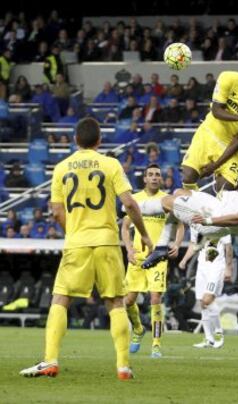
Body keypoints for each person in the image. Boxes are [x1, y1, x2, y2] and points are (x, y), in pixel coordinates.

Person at [20, 117, 153, 380]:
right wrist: (145, 234)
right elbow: (130, 203)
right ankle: (123, 366)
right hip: (107, 241)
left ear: (75, 140)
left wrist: (75, 233)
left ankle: (50, 360)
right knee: (115, 301)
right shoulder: (111, 164)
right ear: (100, 140)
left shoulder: (61, 168)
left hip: (77, 242)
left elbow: (57, 210)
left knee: (61, 299)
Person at [138, 161, 238, 269]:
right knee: (180, 192)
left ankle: (130, 208)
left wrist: (208, 221)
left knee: (169, 202)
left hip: (214, 217)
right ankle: (161, 246)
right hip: (219, 206)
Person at [122, 164, 184, 358]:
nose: (155, 177)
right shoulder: (136, 200)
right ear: (145, 179)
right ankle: (138, 329)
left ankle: (156, 344)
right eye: (151, 174)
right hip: (138, 256)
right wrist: (129, 249)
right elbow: (124, 228)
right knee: (129, 300)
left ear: (161, 179)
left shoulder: (166, 200)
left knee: (155, 298)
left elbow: (180, 223)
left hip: (158, 256)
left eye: (158, 174)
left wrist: (177, 242)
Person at [181, 56, 238, 191]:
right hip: (208, 133)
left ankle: (223, 207)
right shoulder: (228, 78)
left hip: (230, 145)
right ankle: (196, 206)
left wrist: (215, 166)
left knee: (225, 189)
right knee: (188, 177)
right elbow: (216, 110)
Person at [179, 230, 233, 348]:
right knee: (203, 304)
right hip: (202, 267)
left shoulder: (220, 222)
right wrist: (184, 260)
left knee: (207, 300)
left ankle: (219, 334)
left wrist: (229, 268)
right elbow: (193, 245)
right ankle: (209, 339)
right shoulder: (194, 224)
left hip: (216, 267)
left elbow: (228, 247)